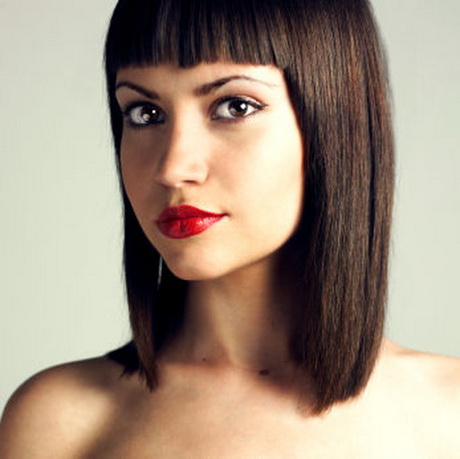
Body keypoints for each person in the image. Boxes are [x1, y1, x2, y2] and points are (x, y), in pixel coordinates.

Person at [1, 0, 459, 456]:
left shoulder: (447, 415)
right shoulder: (58, 424)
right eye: (144, 113)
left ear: (336, 123)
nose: (173, 167)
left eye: (234, 106)